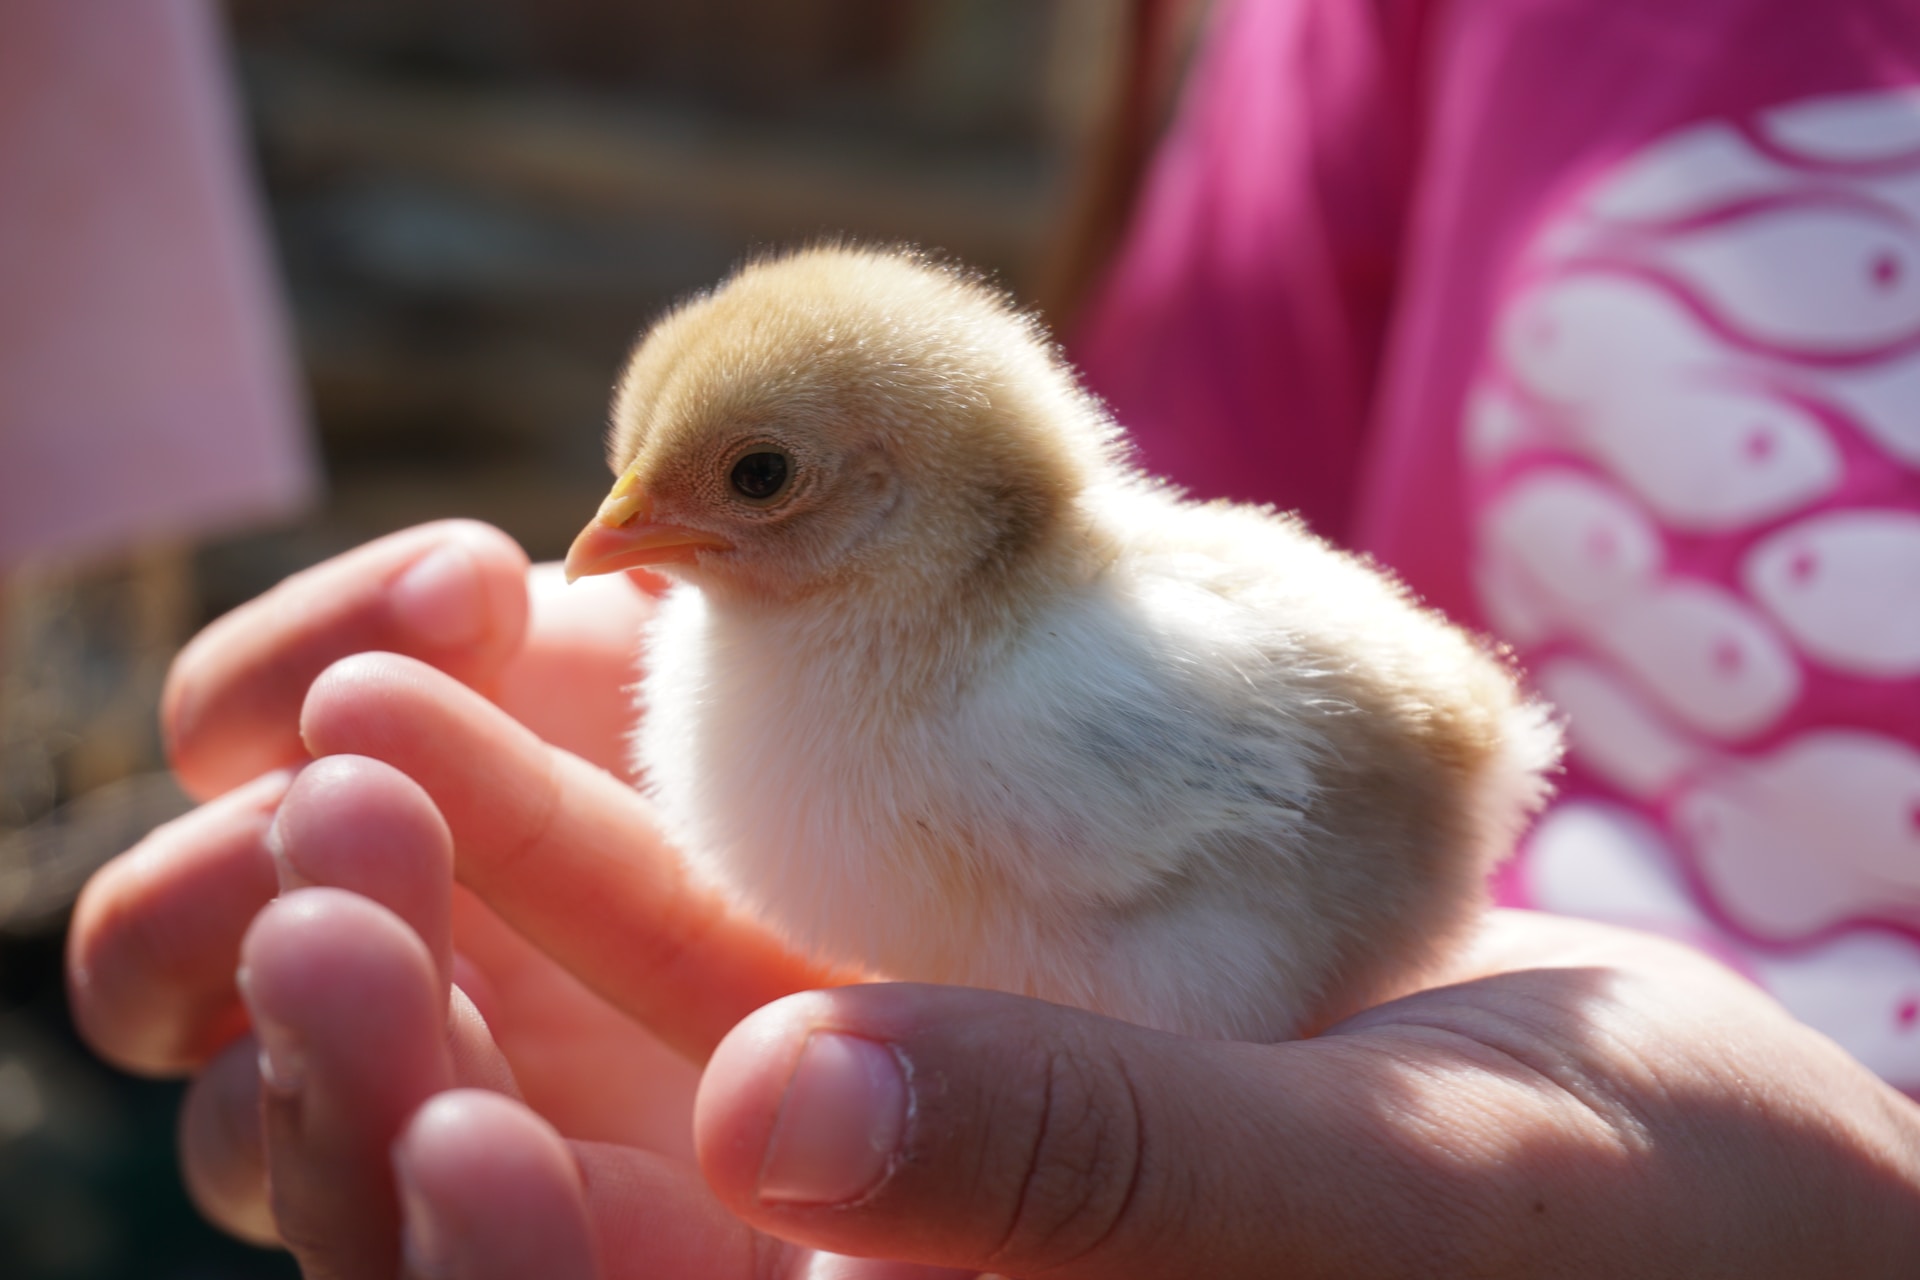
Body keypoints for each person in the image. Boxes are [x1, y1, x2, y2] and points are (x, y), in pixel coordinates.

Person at [66, 0, 1920, 1276]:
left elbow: (1410, 749)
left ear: (906, 487)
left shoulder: (1047, 701)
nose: (625, 533)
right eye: (654, 478)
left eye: (758, 479)